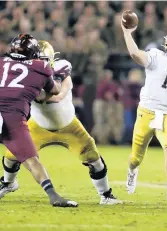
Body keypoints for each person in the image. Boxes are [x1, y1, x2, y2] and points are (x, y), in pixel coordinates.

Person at [0, 40, 122, 205]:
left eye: (43, 59)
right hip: (38, 126)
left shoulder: (60, 67)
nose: (40, 62)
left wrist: (33, 93)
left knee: (94, 159)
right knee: (10, 157)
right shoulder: (29, 73)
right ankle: (8, 183)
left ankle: (106, 195)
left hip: (69, 127)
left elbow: (56, 96)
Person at [121, 17, 167, 202]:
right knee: (136, 158)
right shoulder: (156, 56)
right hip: (146, 111)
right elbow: (135, 55)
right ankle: (132, 171)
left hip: (166, 114)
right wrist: (127, 33)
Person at [0, 34, 77, 207]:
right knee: (31, 160)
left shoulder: (2, 62)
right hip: (13, 117)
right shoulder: (40, 67)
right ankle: (53, 195)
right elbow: (55, 91)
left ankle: (8, 183)